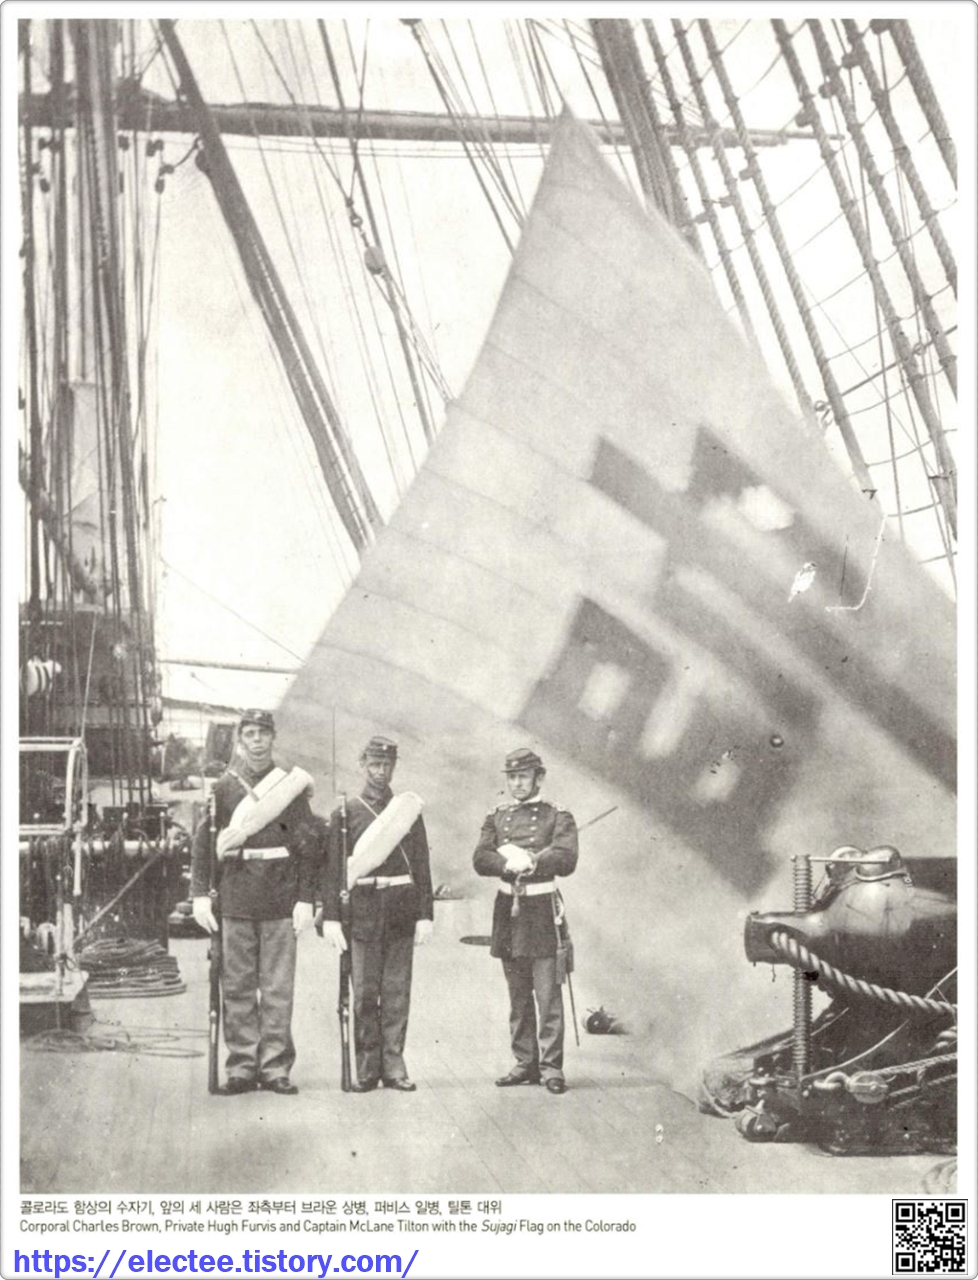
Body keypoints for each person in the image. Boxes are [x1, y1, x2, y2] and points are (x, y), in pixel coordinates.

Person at [191, 709, 319, 1096]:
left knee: (278, 989)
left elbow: (308, 846)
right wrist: (200, 894)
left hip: (280, 897)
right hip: (237, 897)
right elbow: (203, 844)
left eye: (263, 733)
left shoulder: (289, 789)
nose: (257, 741)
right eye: (249, 734)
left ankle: (275, 1067)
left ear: (273, 737)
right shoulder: (224, 789)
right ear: (240, 740)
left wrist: (305, 898)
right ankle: (243, 1067)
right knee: (238, 988)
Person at [321, 736, 433, 1093]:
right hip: (363, 912)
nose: (380, 771)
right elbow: (334, 871)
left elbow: (421, 865)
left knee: (397, 993)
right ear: (362, 765)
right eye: (374, 764)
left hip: (400, 909)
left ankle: (395, 1067)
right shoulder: (346, 813)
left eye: (386, 765)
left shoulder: (408, 811)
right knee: (365, 994)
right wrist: (332, 917)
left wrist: (425, 914)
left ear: (393, 767)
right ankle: (368, 1067)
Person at [473, 748, 578, 1094]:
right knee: (518, 995)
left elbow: (566, 857)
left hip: (541, 912)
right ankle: (525, 1062)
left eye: (524, 776)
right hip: (509, 912)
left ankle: (551, 1067)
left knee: (547, 996)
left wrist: (534, 862)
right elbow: (480, 858)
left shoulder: (557, 815)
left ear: (539, 778)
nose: (517, 783)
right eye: (512, 777)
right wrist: (506, 864)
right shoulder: (497, 816)